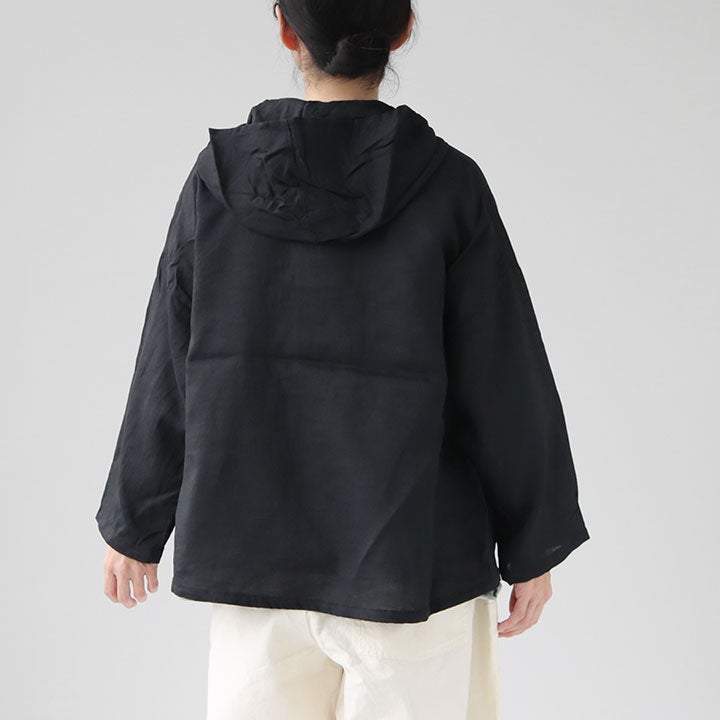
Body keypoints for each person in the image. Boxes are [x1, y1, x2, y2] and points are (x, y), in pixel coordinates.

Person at [95, 1, 591, 718]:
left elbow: (168, 363)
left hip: (256, 565)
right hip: (415, 564)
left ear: (285, 28)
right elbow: (504, 374)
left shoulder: (218, 181)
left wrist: (134, 524)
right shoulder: (449, 184)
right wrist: (532, 542)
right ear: (403, 28)